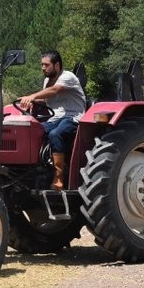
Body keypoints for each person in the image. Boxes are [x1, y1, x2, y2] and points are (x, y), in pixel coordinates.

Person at [18, 50, 86, 190]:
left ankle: (59, 178)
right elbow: (48, 99)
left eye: (46, 65)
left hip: (73, 116)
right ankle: (34, 171)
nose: (43, 68)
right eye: (42, 65)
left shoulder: (68, 77)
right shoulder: (47, 81)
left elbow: (54, 91)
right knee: (34, 131)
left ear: (57, 65)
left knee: (56, 134)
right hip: (55, 117)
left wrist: (33, 96)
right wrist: (33, 101)